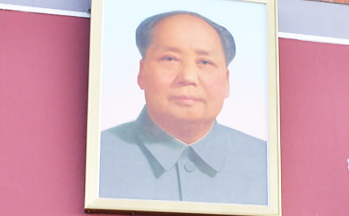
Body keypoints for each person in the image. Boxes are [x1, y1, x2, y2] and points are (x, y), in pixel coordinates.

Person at [99, 11, 268, 205]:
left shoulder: (265, 163)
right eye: (170, 59)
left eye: (204, 62)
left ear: (227, 81)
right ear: (141, 73)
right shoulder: (98, 156)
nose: (188, 77)